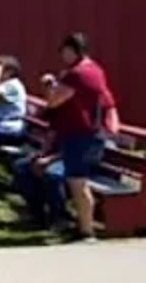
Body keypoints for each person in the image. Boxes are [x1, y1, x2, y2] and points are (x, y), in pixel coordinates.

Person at [37, 32, 118, 240]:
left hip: (78, 134)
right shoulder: (97, 71)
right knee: (78, 182)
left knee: (77, 184)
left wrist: (49, 85)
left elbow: (55, 101)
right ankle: (84, 227)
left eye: (64, 51)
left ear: (73, 50)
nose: (63, 56)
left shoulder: (77, 74)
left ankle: (86, 231)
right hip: (91, 135)